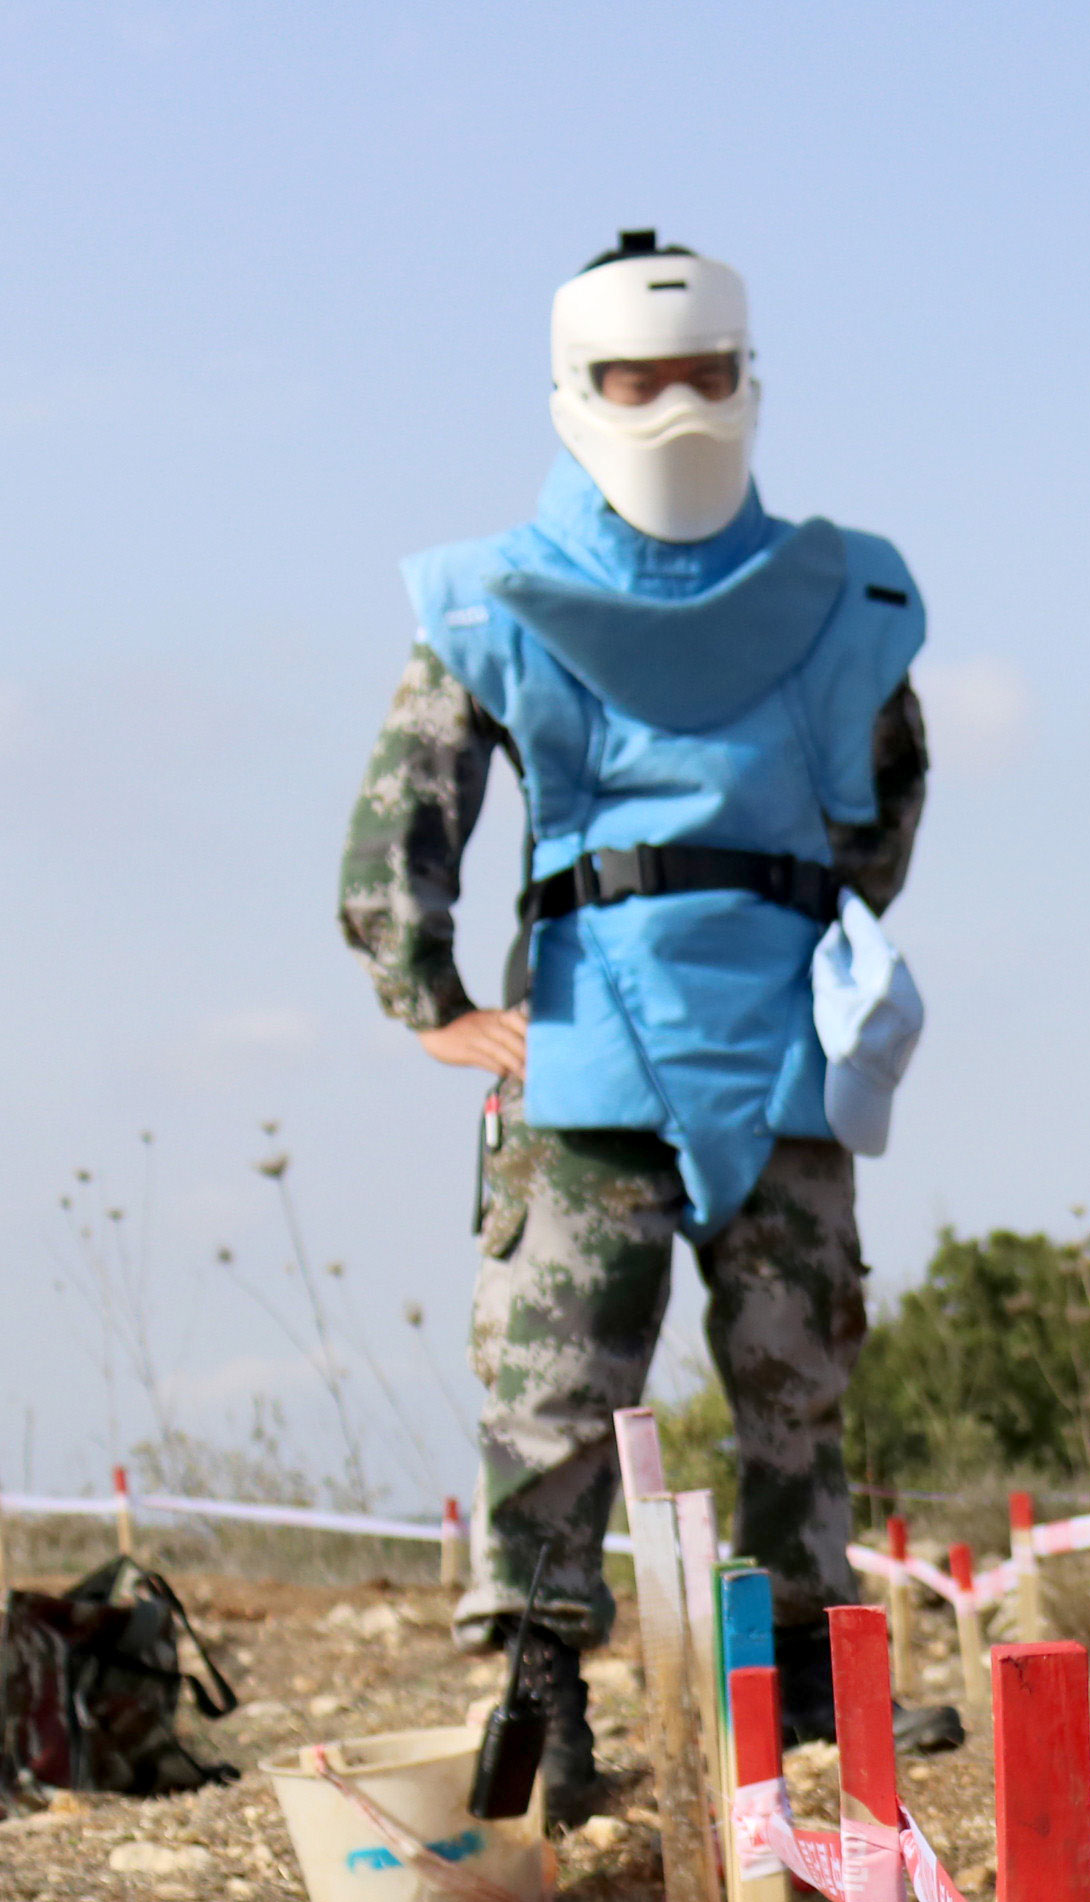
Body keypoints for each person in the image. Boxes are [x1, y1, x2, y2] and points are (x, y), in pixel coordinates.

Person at [337, 229, 946, 1822]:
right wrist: (432, 1001)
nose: (669, 407)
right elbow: (407, 818)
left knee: (791, 1368)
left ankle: (808, 1659)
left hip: (763, 1042)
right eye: (633, 376)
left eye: (697, 372)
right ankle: (544, 1668)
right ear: (575, 388)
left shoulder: (849, 589)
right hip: (595, 1046)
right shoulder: (490, 599)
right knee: (557, 1377)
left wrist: (810, 933)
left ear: (747, 377)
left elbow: (883, 805)